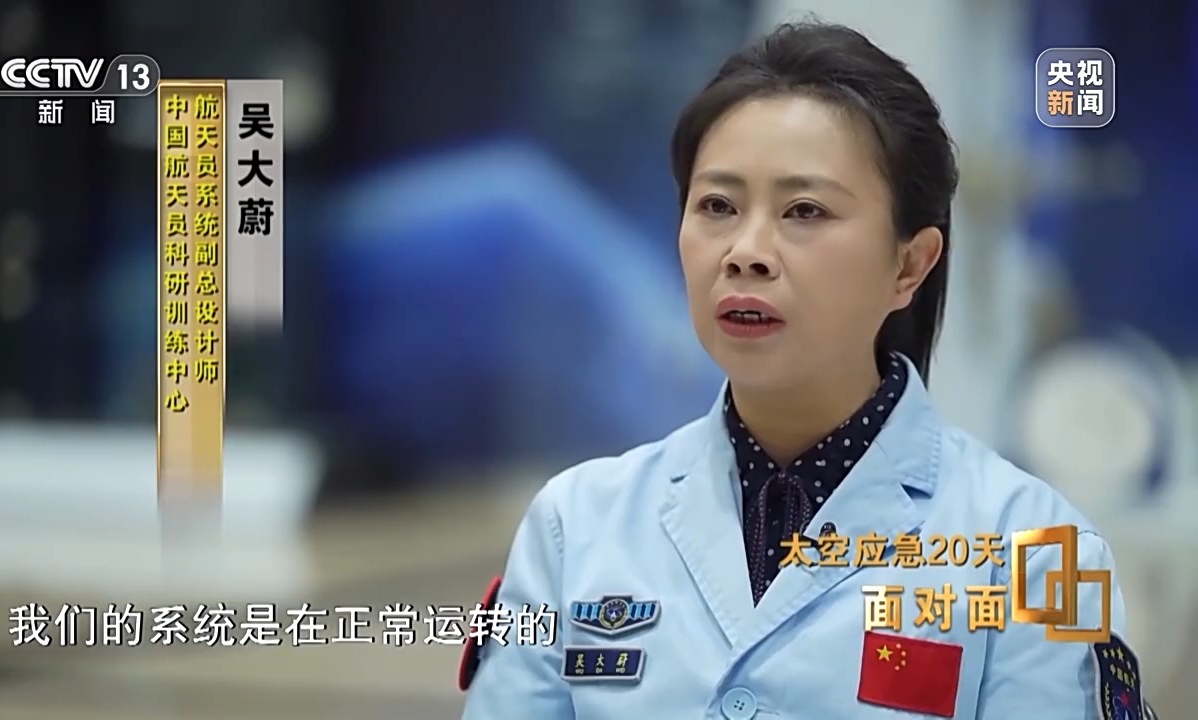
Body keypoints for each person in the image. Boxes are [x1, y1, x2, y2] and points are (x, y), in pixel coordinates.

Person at [460, 21, 1154, 720]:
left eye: (804, 210)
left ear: (910, 265)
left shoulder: (1042, 552)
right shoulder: (573, 525)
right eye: (718, 206)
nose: (746, 252)